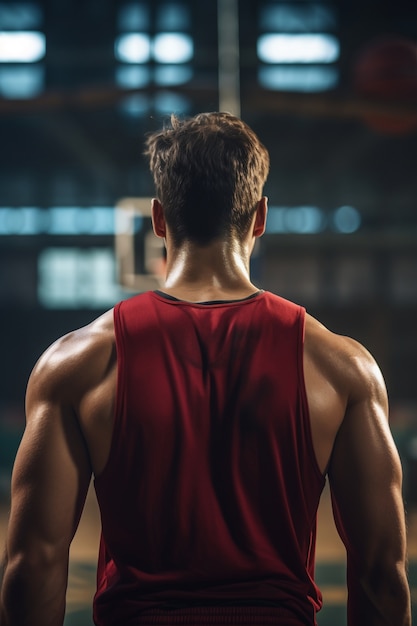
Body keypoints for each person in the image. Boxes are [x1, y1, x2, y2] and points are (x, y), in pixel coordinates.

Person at [0, 112, 411, 626]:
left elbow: (34, 563)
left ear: (156, 219)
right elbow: (380, 574)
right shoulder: (340, 367)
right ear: (260, 217)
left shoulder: (76, 363)